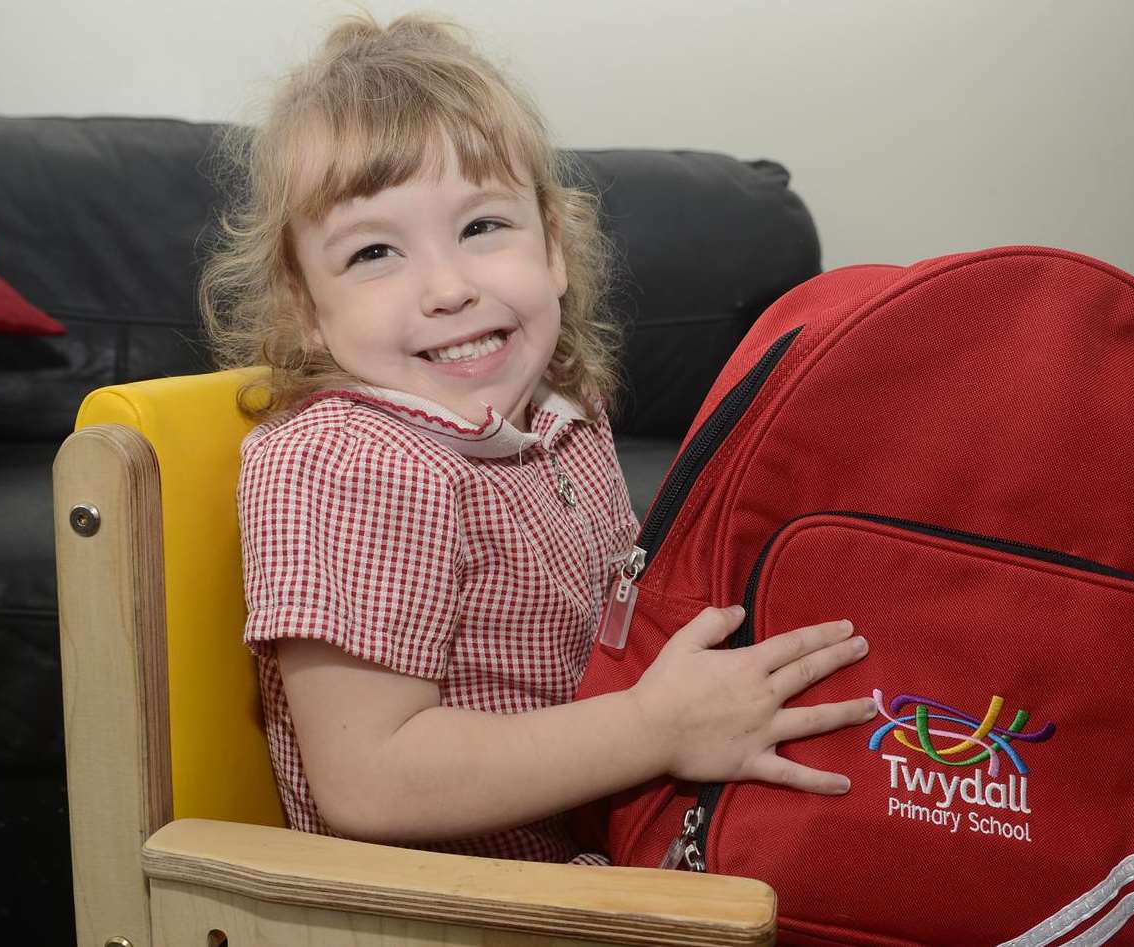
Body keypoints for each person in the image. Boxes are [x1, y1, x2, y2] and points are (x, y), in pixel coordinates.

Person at [199, 12, 875, 865]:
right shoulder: (353, 460)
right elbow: (367, 778)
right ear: (305, 307)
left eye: (481, 227)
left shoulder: (559, 411)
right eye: (374, 251)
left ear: (552, 248)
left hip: (596, 842)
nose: (447, 287)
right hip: (463, 906)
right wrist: (654, 727)